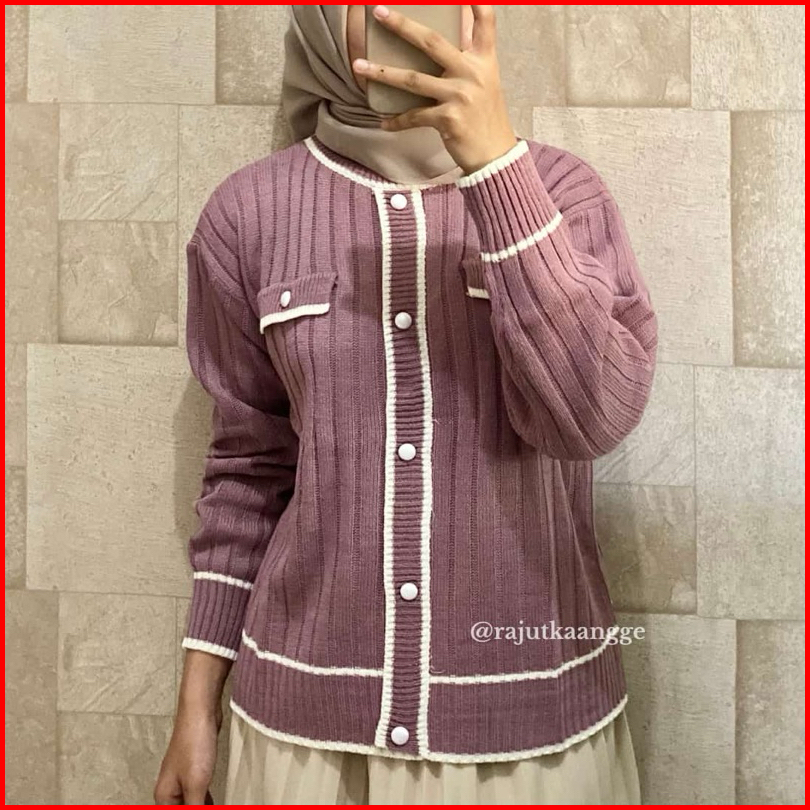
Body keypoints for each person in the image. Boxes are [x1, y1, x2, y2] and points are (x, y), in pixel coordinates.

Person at [155, 4, 658, 805]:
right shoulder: (247, 214)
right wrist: (195, 707)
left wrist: (496, 171)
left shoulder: (564, 192)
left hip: (532, 738)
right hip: (302, 741)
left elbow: (591, 418)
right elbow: (247, 472)